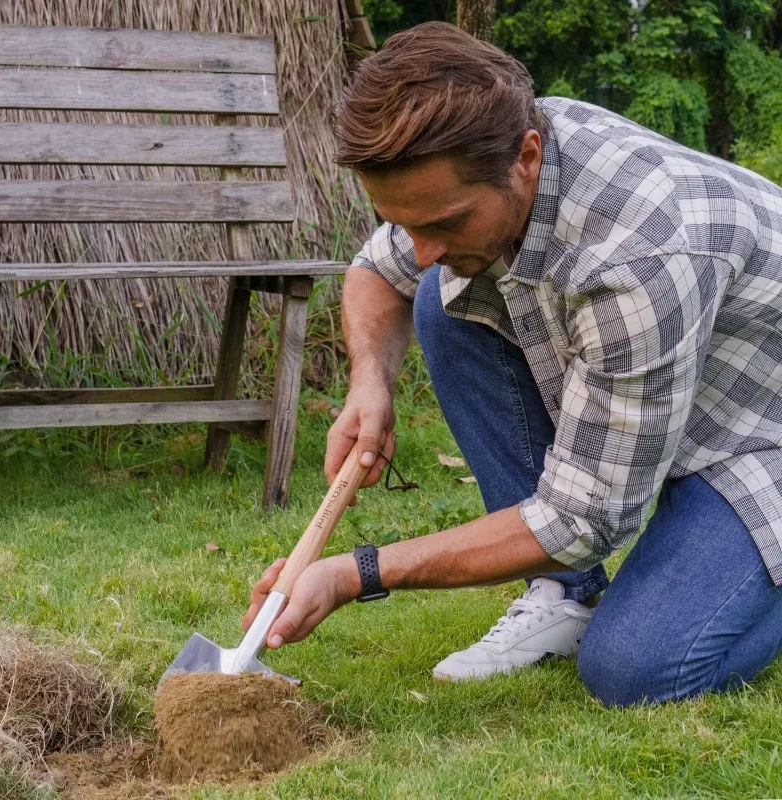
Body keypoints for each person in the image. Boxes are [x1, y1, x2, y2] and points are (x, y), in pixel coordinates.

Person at [243, 21, 782, 706]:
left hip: (759, 429)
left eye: (443, 223)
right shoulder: (475, 165)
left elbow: (584, 519)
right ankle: (567, 596)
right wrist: (369, 383)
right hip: (679, 384)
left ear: (527, 158)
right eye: (405, 223)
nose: (422, 247)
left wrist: (357, 572)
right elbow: (375, 273)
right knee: (443, 296)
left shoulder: (638, 256)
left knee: (637, 670)